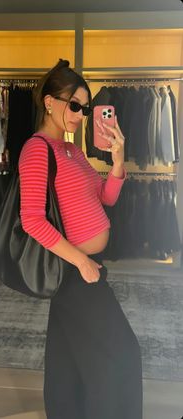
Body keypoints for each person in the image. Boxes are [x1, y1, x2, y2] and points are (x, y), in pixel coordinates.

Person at [18, 59, 142, 419]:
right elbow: (32, 221)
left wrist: (118, 160)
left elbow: (105, 197)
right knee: (123, 353)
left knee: (67, 360)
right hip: (75, 272)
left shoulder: (72, 150)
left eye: (85, 108)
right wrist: (81, 261)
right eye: (74, 105)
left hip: (86, 267)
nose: (81, 114)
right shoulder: (37, 149)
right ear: (49, 102)